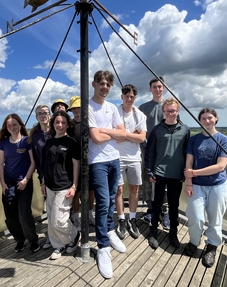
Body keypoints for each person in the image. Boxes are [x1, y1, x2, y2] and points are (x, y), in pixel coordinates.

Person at [183, 108, 227, 268]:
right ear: (199, 120)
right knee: (196, 217)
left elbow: (220, 166)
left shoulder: (223, 140)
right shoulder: (194, 139)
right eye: (203, 118)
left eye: (210, 118)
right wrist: (189, 182)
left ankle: (212, 246)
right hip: (197, 185)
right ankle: (194, 241)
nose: (207, 121)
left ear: (216, 118)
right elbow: (188, 162)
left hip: (217, 186)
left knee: (215, 219)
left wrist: (194, 173)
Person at [88, 70, 127, 279]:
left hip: (114, 159)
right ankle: (103, 246)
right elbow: (95, 137)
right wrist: (112, 132)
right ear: (94, 84)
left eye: (108, 84)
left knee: (112, 198)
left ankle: (109, 231)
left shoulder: (112, 107)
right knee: (102, 202)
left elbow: (123, 133)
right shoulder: (88, 106)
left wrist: (108, 132)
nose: (104, 87)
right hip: (98, 161)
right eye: (101, 83)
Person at [145, 98, 190, 249]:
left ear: (178, 111)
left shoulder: (185, 130)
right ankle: (153, 231)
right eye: (167, 111)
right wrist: (149, 170)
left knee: (173, 204)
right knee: (156, 203)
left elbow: (188, 153)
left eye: (173, 111)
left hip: (176, 174)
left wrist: (186, 171)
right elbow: (150, 151)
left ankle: (173, 232)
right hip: (159, 172)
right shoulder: (157, 129)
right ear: (163, 112)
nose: (170, 114)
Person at [40, 111, 81, 260]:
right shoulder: (49, 142)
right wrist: (43, 182)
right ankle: (59, 244)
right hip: (50, 186)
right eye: (57, 122)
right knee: (51, 220)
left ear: (68, 124)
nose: (60, 125)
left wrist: (74, 186)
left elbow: (76, 165)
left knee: (59, 220)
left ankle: (74, 235)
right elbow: (45, 165)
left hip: (64, 186)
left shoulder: (72, 143)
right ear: (53, 124)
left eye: (63, 122)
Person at [0, 114, 40, 254]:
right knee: (10, 216)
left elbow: (33, 162)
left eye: (14, 124)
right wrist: (3, 184)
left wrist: (26, 179)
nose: (12, 127)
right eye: (9, 125)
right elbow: (1, 165)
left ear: (21, 125)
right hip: (8, 183)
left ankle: (33, 240)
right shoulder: (3, 143)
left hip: (24, 182)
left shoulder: (27, 141)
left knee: (24, 214)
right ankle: (19, 240)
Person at [114, 84, 147, 240]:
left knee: (135, 189)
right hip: (117, 156)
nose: (129, 99)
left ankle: (131, 218)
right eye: (126, 96)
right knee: (119, 190)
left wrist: (123, 134)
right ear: (122, 96)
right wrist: (131, 134)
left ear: (135, 97)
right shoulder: (114, 112)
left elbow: (141, 138)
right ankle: (121, 219)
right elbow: (113, 136)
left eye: (132, 96)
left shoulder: (139, 115)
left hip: (134, 157)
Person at [139, 76, 170, 229]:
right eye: (154, 87)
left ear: (163, 88)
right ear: (150, 89)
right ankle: (151, 209)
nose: (157, 89)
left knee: (163, 181)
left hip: (164, 151)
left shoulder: (170, 106)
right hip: (147, 150)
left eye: (160, 86)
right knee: (147, 179)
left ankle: (164, 211)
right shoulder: (143, 108)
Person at [67, 95, 96, 230]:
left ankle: (90, 214)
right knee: (76, 192)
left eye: (79, 108)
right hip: (75, 163)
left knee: (91, 191)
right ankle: (76, 217)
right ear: (71, 110)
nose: (77, 111)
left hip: (90, 161)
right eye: (75, 109)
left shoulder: (89, 123)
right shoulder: (69, 126)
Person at [28, 104, 53, 249]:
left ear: (50, 114)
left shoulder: (57, 130)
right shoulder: (34, 135)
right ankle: (51, 236)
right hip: (44, 177)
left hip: (60, 176)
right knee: (50, 209)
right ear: (36, 117)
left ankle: (65, 235)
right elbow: (35, 159)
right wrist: (41, 179)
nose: (43, 115)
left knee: (60, 209)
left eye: (45, 112)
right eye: (40, 113)